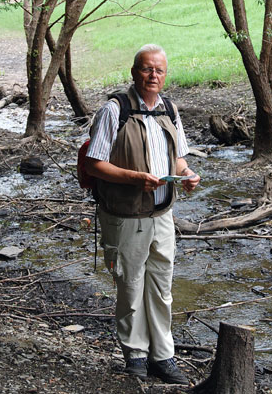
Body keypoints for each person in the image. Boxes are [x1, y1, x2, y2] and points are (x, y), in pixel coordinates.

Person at [85, 44, 200, 385]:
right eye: (147, 69)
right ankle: (135, 354)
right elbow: (94, 164)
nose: (153, 76)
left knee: (162, 287)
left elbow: (177, 158)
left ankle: (163, 356)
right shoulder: (113, 110)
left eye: (159, 70)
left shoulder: (169, 109)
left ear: (165, 75)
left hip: (162, 213)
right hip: (125, 215)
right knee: (130, 285)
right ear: (135, 72)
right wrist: (135, 178)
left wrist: (188, 174)